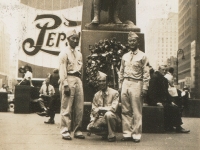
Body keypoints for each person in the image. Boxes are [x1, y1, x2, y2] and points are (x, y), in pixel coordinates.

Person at [119, 31, 149, 143]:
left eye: (134, 40)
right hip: (126, 83)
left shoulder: (143, 56)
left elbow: (146, 73)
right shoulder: (125, 56)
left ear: (138, 42)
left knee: (136, 110)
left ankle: (136, 134)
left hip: (137, 83)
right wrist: (120, 85)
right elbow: (121, 71)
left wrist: (145, 87)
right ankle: (127, 133)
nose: (132, 43)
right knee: (125, 109)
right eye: (130, 41)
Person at [59, 29, 85, 140]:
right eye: (73, 38)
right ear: (68, 39)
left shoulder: (79, 54)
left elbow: (81, 70)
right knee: (67, 106)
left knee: (79, 107)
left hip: (78, 79)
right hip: (68, 78)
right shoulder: (64, 53)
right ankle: (65, 130)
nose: (75, 41)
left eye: (77, 39)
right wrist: (65, 84)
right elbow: (62, 69)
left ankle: (77, 129)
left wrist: (80, 81)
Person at [147, 65, 190, 133]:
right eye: (163, 69)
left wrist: (171, 101)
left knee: (174, 106)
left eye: (165, 70)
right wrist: (156, 102)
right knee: (173, 108)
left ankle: (171, 126)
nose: (164, 71)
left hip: (162, 100)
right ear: (159, 69)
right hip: (156, 101)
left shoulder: (163, 79)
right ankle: (178, 127)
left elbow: (166, 93)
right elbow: (151, 92)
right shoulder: (155, 78)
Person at [87, 71, 121, 142]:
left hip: (113, 118)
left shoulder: (114, 93)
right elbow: (93, 111)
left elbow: (113, 109)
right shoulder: (96, 95)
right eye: (100, 81)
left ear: (107, 82)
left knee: (108, 114)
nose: (101, 83)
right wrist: (92, 121)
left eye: (103, 81)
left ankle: (111, 135)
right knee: (90, 127)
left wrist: (100, 109)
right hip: (101, 119)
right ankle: (105, 133)